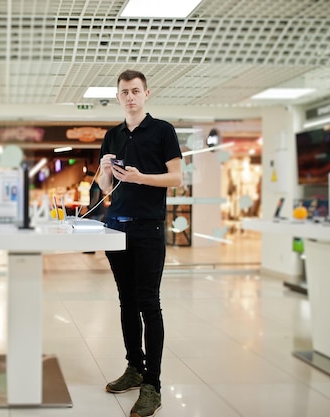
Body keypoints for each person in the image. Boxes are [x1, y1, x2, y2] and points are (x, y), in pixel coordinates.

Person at [96, 69, 182, 417]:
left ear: (147, 94)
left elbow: (176, 178)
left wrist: (140, 177)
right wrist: (104, 170)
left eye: (135, 91)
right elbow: (104, 188)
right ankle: (134, 367)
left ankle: (153, 385)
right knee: (126, 302)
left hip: (148, 229)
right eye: (124, 92)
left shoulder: (163, 131)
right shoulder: (112, 135)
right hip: (115, 228)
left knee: (149, 303)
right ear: (118, 98)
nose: (130, 97)